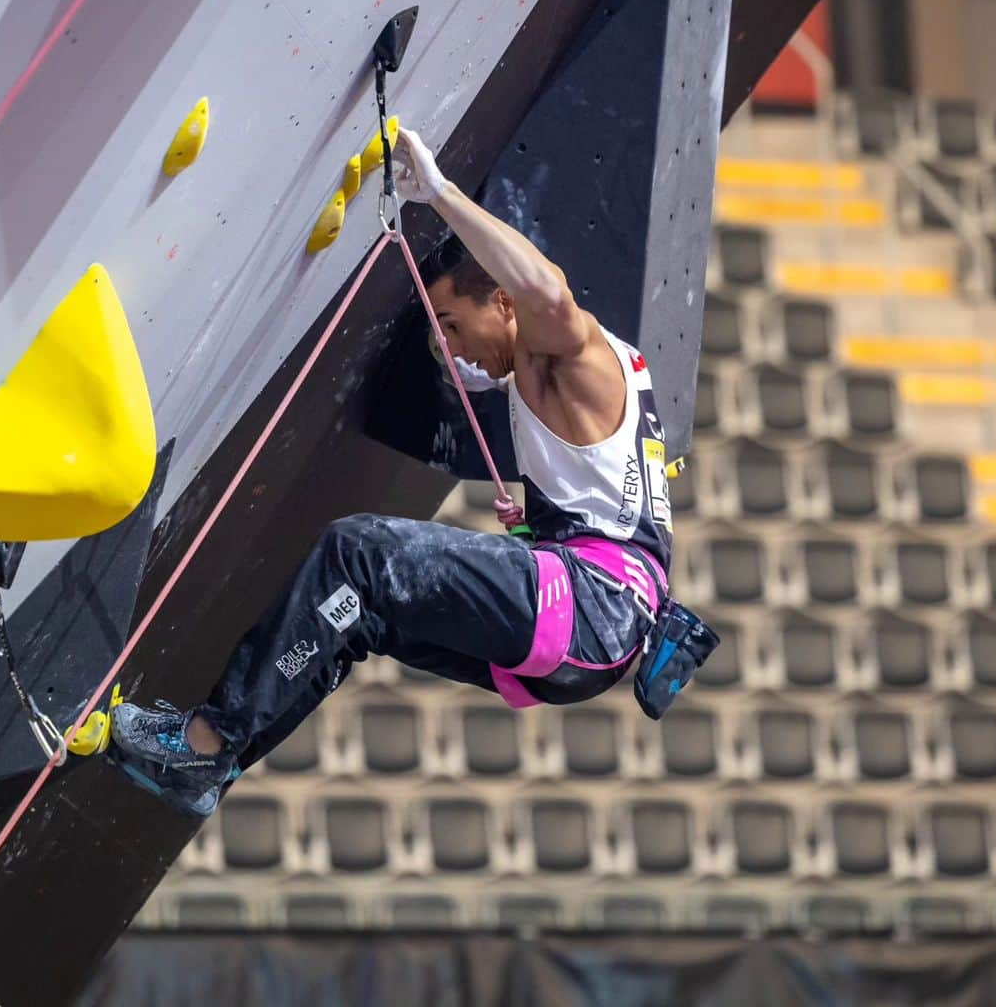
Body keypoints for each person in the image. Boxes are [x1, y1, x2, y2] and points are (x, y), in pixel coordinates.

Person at [110, 126, 675, 816]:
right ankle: (214, 767)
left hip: (590, 611)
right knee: (362, 614)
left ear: (501, 302)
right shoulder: (573, 380)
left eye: (451, 323)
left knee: (357, 551)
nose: (444, 344)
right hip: (597, 636)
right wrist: (537, 529)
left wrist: (438, 195)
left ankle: (203, 741)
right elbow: (623, 518)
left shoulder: (560, 351)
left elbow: (548, 293)